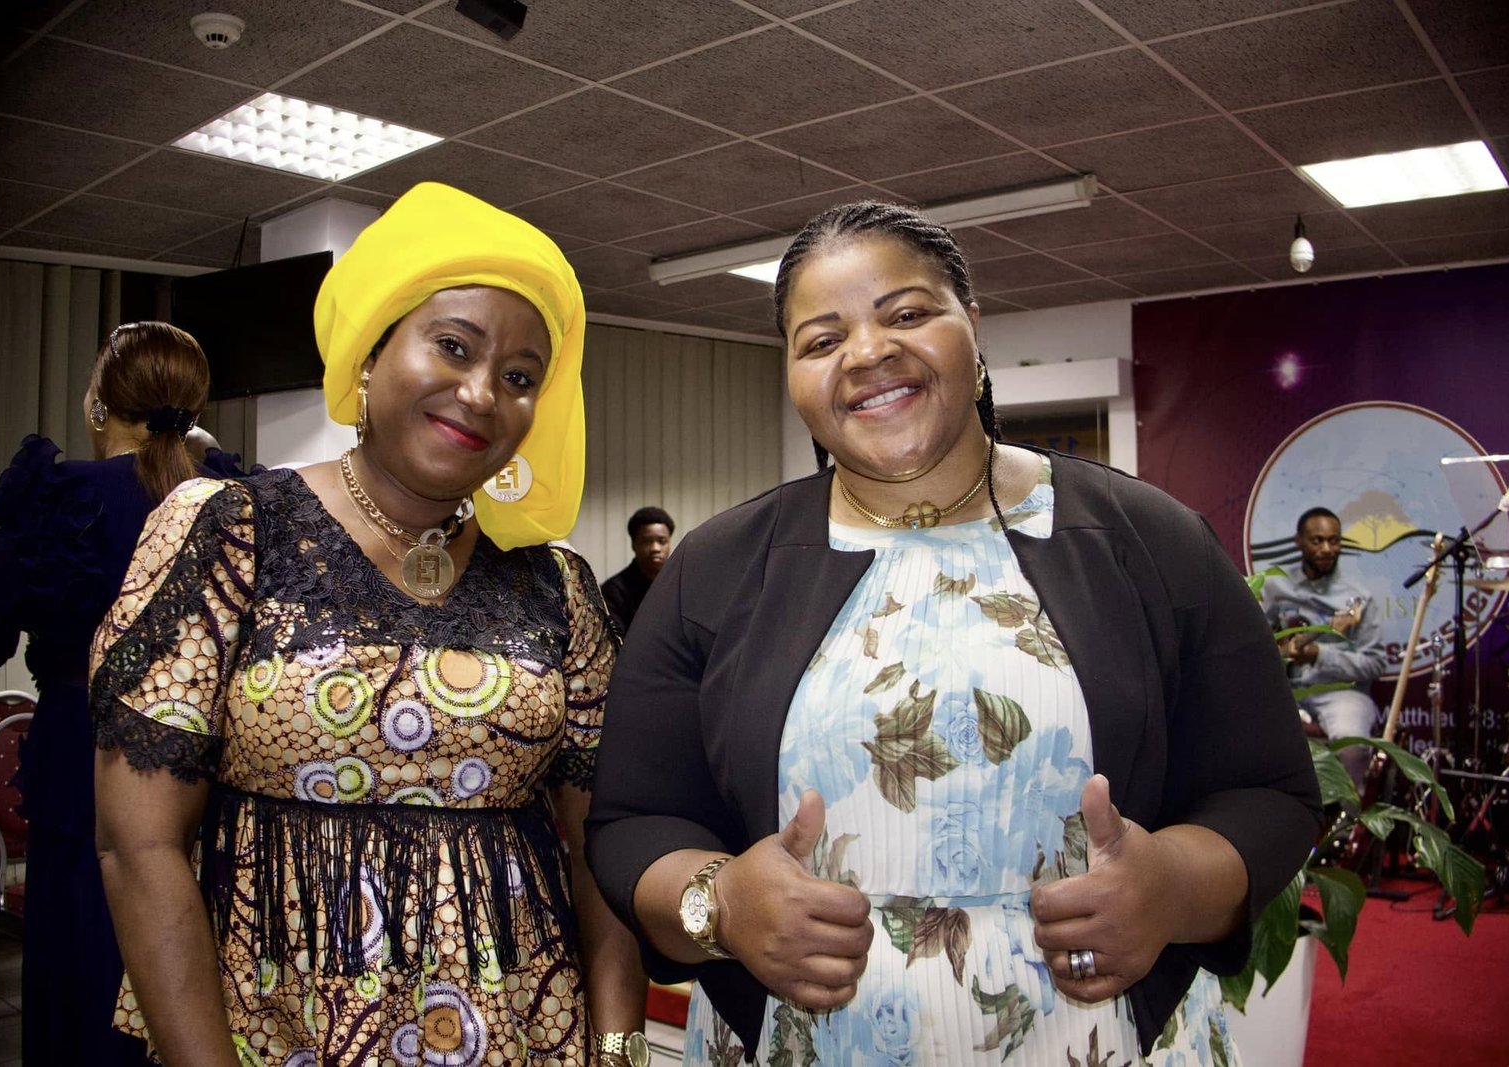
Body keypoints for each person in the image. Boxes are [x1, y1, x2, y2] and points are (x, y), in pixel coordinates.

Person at [585, 201, 1320, 1066]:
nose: (865, 353)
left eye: (905, 314)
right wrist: (722, 902)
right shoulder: (716, 570)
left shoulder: (1148, 540)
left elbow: (1268, 792)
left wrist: (1170, 889)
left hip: (1104, 1038)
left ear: (973, 328)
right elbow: (634, 819)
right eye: (821, 341)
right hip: (804, 1042)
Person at [90, 182, 648, 1066]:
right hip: (278, 1028)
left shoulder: (559, 586)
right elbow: (139, 842)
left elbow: (600, 844)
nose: (480, 393)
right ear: (372, 350)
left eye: (519, 377)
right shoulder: (229, 529)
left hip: (521, 1031)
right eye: (453, 346)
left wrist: (617, 1045)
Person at [0, 320, 210, 1067]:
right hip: (209, 765)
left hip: (85, 756)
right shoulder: (233, 497)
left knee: (82, 972)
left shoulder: (57, 497)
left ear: (99, 404)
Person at [1261, 507, 1385, 786]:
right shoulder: (1275, 586)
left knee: (1352, 748)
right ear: (1299, 542)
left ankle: (1349, 825)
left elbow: (1375, 663)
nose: (1327, 549)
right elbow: (1257, 642)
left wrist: (1320, 654)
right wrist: (1281, 652)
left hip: (1342, 693)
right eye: (1317, 541)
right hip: (1287, 691)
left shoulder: (1358, 598)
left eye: (1335, 540)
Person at [600, 506, 675, 635]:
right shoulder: (614, 591)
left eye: (662, 541)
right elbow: (616, 644)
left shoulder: (681, 585)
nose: (655, 548)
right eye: (647, 541)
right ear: (634, 544)